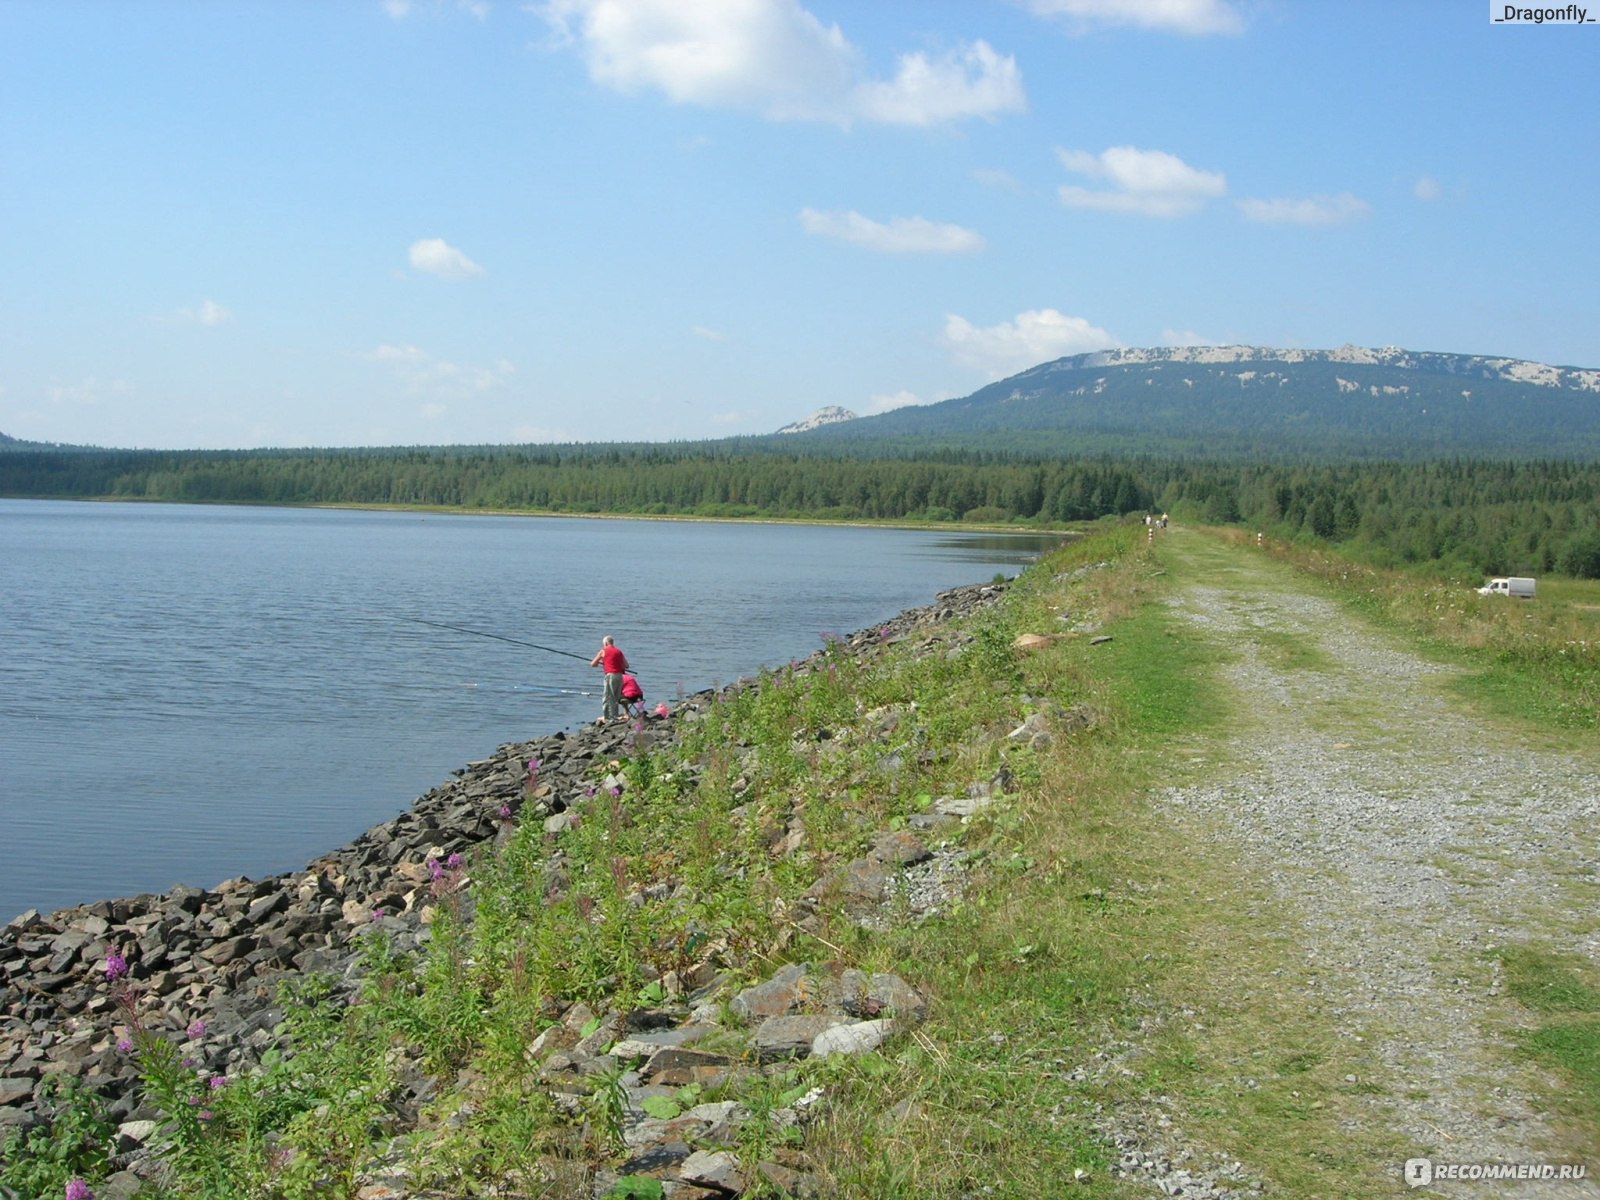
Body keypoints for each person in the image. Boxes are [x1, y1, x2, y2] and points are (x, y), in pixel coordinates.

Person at [589, 635, 629, 721]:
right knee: (616, 697)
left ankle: (608, 717)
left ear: (606, 643)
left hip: (611, 676)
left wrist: (600, 662)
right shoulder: (619, 651)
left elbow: (593, 664)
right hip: (620, 676)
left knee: (608, 696)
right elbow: (626, 665)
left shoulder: (603, 651)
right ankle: (615, 715)